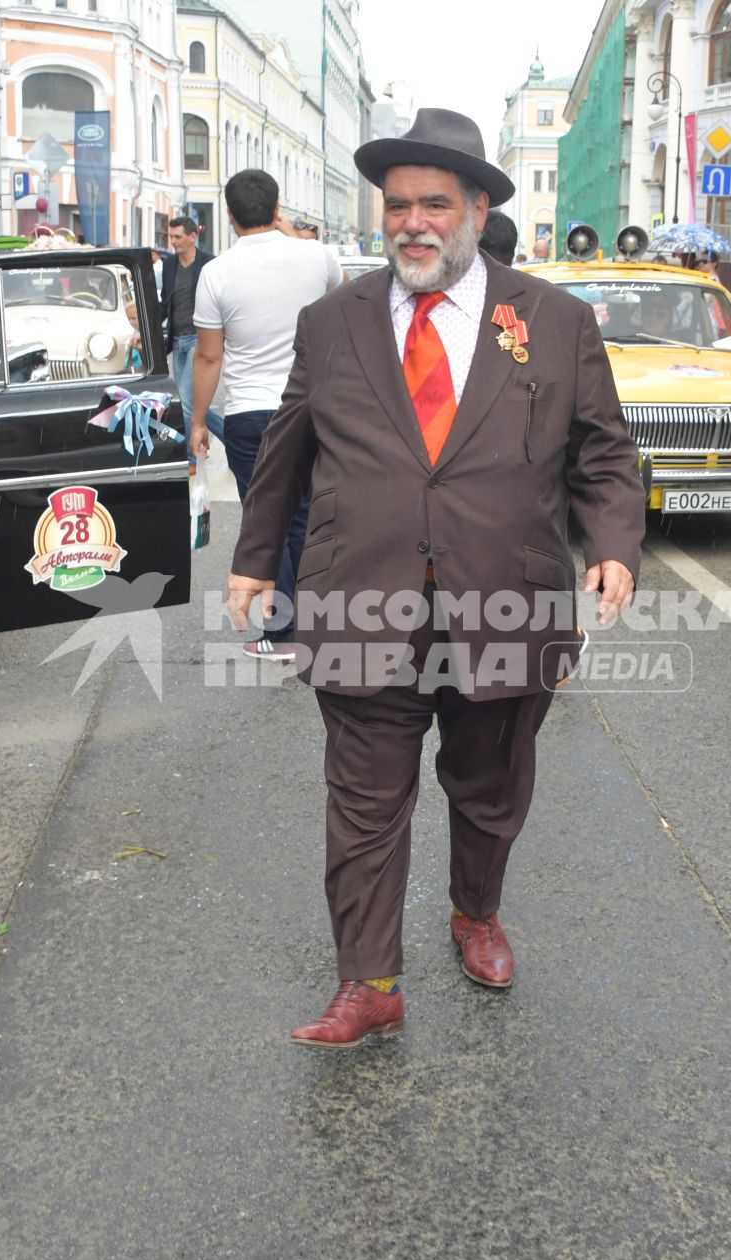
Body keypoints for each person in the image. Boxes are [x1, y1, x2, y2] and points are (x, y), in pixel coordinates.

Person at [225, 107, 644, 1049]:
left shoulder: (554, 320)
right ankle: (368, 981)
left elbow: (605, 454)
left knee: (489, 786)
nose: (412, 222)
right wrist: (255, 562)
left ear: (478, 207)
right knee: (365, 801)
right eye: (398, 206)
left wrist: (613, 543)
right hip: (359, 599)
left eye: (434, 205)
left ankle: (474, 912)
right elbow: (286, 455)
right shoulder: (333, 322)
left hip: (508, 602)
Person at [189, 169, 342, 661]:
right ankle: (321, 624)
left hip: (251, 414)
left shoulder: (216, 272)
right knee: (314, 517)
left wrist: (197, 422)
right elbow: (348, 318)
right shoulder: (319, 257)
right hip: (316, 406)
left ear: (228, 216)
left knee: (270, 521)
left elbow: (209, 357)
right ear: (277, 207)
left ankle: (285, 634)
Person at [160, 215, 221, 446]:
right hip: (177, 340)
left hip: (200, 338)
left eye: (177, 237)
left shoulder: (209, 263)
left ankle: (189, 457)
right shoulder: (168, 265)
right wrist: (144, 329)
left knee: (185, 400)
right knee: (193, 405)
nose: (172, 242)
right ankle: (228, 435)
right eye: (170, 237)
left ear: (192, 237)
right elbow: (165, 303)